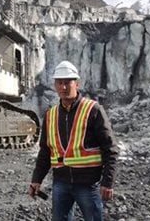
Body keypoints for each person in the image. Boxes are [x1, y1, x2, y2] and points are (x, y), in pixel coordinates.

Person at [29, 60, 118, 221]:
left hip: (87, 183)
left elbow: (110, 148)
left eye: (67, 83)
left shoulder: (93, 110)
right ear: (55, 85)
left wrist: (107, 182)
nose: (63, 87)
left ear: (76, 84)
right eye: (59, 83)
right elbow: (45, 150)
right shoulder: (51, 115)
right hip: (60, 183)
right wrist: (36, 180)